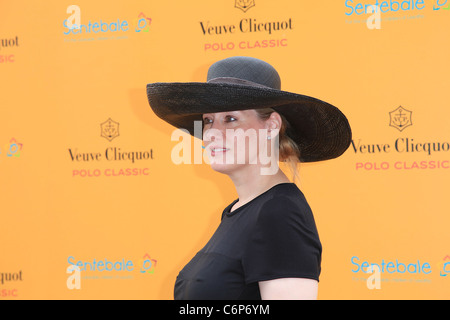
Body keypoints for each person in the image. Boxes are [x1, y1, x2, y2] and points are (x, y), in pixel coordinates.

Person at [146, 56, 352, 300]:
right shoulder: (238, 211)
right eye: (208, 121)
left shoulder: (279, 213)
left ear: (271, 126)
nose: (212, 133)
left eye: (230, 119)